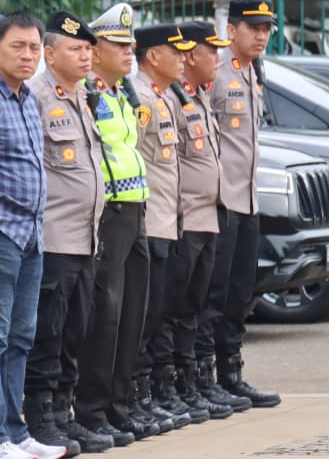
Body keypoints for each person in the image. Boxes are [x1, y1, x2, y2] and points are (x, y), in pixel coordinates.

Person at [0, 12, 63, 459]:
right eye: (17, 46)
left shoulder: (27, 96)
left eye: (34, 47)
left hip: (32, 232)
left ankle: (16, 432)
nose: (28, 55)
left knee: (22, 336)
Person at [71, 4, 157, 447]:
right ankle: (91, 409)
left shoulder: (122, 92)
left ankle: (118, 408)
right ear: (96, 48)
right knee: (105, 314)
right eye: (119, 44)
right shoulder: (88, 93)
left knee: (132, 313)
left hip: (135, 208)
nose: (129, 51)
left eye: (130, 44)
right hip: (109, 212)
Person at [21, 12, 104, 457]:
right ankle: (41, 418)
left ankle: (63, 413)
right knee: (48, 334)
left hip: (85, 238)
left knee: (75, 333)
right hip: (52, 238)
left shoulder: (83, 95)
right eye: (76, 49)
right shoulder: (35, 97)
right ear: (50, 55)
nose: (86, 56)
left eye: (89, 49)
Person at [148, 21, 236, 421]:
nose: (216, 58)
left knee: (195, 307)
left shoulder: (195, 97)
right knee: (173, 306)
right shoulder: (164, 98)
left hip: (207, 216)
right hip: (182, 219)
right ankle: (166, 386)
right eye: (209, 50)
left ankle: (192, 382)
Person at [198, 0, 281, 408]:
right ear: (231, 30)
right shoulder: (217, 72)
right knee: (214, 293)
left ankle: (231, 374)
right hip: (222, 200)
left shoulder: (253, 72)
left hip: (247, 200)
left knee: (241, 291)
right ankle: (203, 379)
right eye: (254, 28)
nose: (261, 36)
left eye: (266, 29)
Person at [129, 25, 208, 429]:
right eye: (175, 52)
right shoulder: (141, 99)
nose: (183, 59)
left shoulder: (162, 97)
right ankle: (141, 395)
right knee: (146, 317)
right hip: (150, 222)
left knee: (163, 311)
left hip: (168, 220)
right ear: (152, 56)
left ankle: (155, 392)